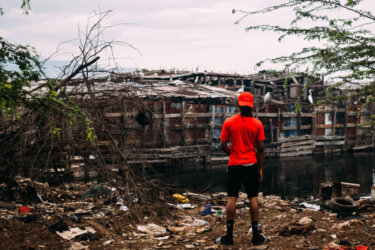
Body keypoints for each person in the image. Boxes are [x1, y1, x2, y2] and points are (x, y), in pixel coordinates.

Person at [214, 91, 269, 246]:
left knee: (232, 198)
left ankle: (229, 237)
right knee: (253, 198)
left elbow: (222, 145)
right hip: (251, 165)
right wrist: (260, 169)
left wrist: (232, 153)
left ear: (238, 105)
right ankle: (256, 237)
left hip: (235, 165)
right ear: (251, 107)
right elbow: (261, 149)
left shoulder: (229, 122)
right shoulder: (257, 124)